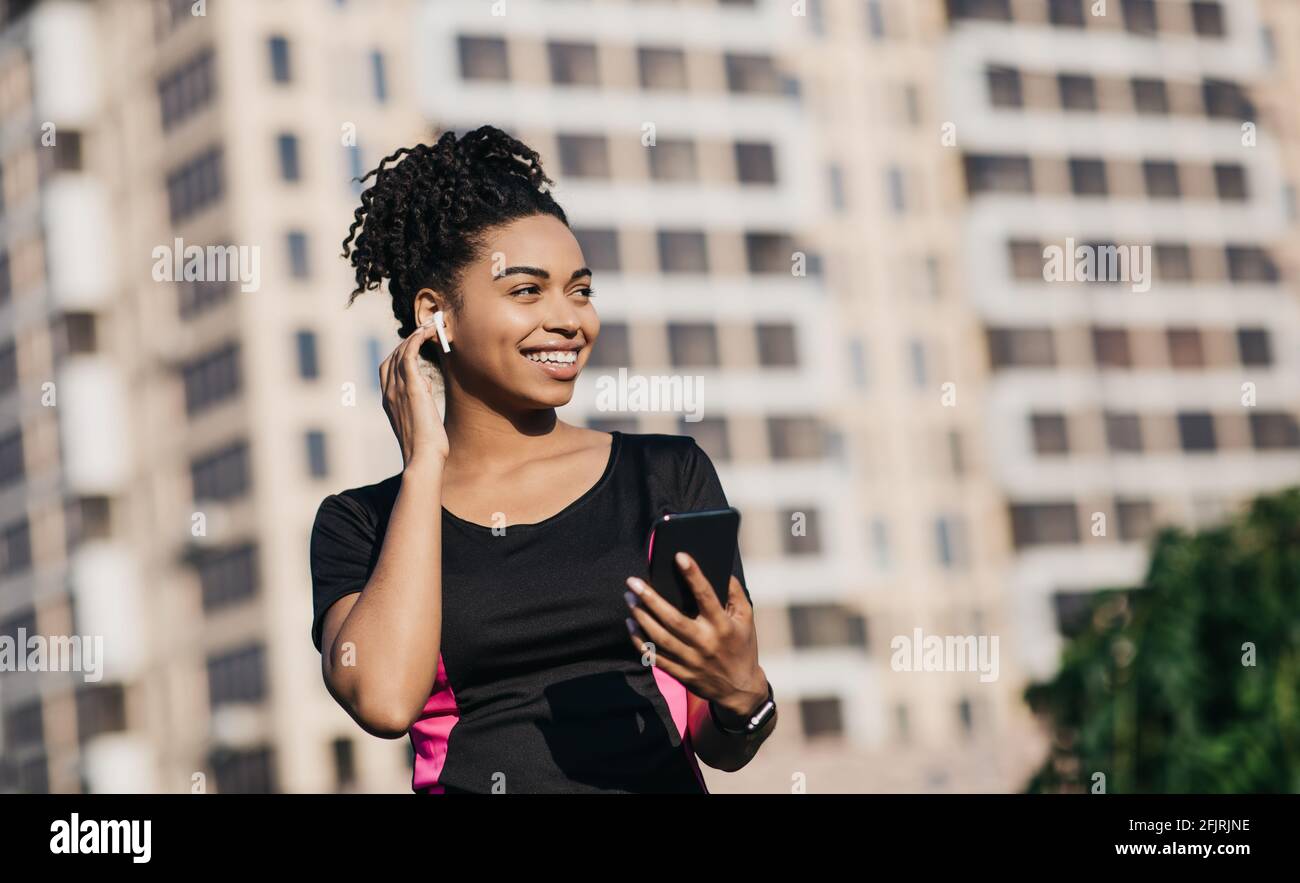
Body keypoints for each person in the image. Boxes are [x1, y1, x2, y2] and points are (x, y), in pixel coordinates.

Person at [309, 125, 777, 793]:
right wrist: (423, 471)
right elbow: (384, 699)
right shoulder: (361, 523)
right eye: (528, 291)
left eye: (580, 290)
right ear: (436, 316)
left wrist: (743, 693)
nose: (570, 320)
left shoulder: (667, 474)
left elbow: (724, 741)